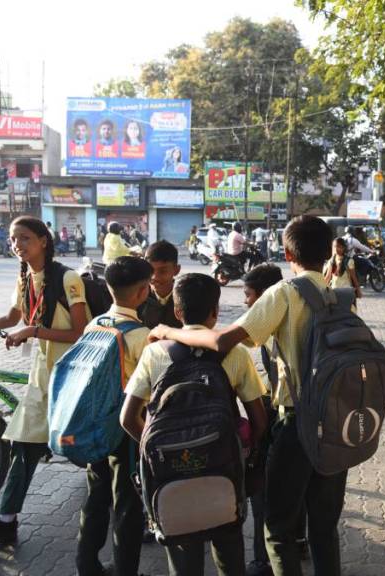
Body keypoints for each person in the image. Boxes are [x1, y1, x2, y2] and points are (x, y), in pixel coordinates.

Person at [146, 215, 347, 576]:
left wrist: (169, 331)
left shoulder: (286, 292)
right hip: (335, 427)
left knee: (279, 530)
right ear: (328, 255)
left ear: (288, 253)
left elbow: (223, 341)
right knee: (323, 527)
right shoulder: (338, 295)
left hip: (297, 423)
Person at [0, 216, 89, 543]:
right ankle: (7, 520)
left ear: (43, 241)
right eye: (12, 239)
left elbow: (80, 332)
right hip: (42, 370)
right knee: (24, 443)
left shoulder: (69, 279)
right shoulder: (24, 278)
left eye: (24, 238)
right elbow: (12, 317)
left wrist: (33, 331)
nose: (17, 245)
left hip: (73, 372)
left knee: (86, 444)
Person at [120, 273, 268, 576]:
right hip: (224, 469)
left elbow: (127, 418)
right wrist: (245, 455)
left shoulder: (154, 352)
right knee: (229, 552)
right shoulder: (236, 354)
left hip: (171, 474)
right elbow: (259, 420)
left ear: (176, 312)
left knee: (183, 557)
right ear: (215, 312)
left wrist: (156, 449)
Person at [75, 256, 152, 576]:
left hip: (95, 426)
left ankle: (87, 565)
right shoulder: (140, 334)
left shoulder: (95, 324)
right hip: (126, 432)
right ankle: (125, 571)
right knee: (127, 506)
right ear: (143, 291)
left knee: (95, 498)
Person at [241, 264, 308, 576]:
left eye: (248, 295)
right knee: (301, 487)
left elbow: (229, 340)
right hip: (312, 413)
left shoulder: (269, 324)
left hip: (281, 415)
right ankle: (300, 539)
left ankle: (262, 560)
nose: (244, 302)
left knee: (265, 494)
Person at [138, 241, 184, 330]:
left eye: (163, 271)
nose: (155, 277)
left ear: (176, 270)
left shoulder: (184, 298)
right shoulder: (138, 298)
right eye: (150, 270)